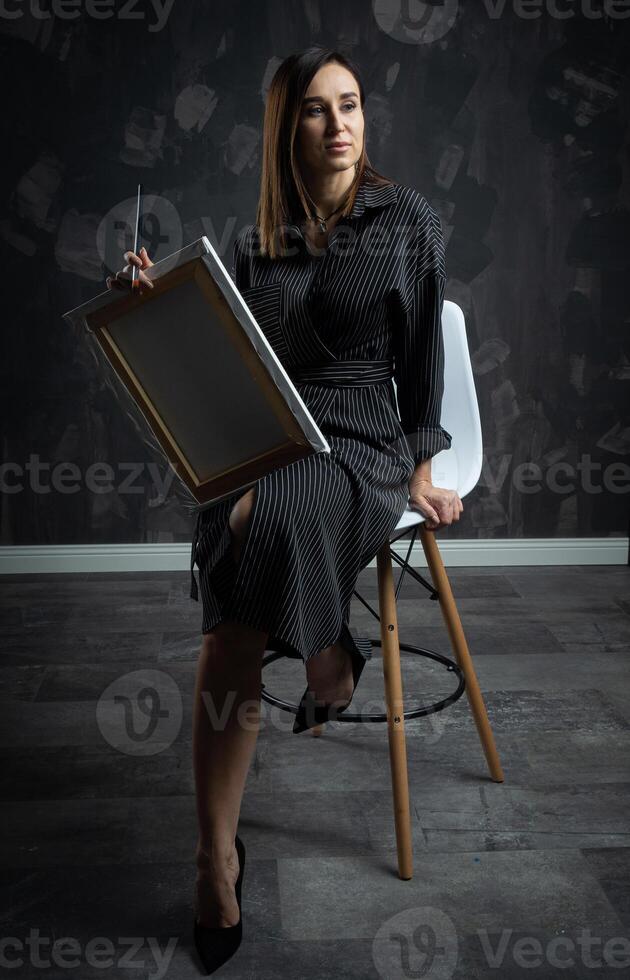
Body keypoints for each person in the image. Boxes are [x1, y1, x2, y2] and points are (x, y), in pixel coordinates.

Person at [108, 44, 463, 975]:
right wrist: (152, 300)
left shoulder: (406, 219)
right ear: (286, 127)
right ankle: (215, 857)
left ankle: (325, 656)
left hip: (359, 439)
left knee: (246, 527)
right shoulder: (259, 234)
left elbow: (423, 354)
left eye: (350, 105)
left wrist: (424, 466)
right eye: (316, 109)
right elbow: (218, 355)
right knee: (232, 598)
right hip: (274, 436)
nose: (340, 124)